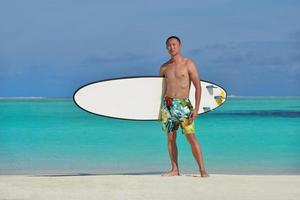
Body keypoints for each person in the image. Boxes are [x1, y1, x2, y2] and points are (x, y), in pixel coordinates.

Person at [159, 35, 209, 177]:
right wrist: (158, 111)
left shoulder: (188, 64)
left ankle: (202, 170)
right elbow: (159, 90)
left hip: (184, 105)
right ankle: (175, 169)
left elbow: (198, 87)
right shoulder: (164, 68)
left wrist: (196, 109)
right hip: (168, 105)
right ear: (166, 48)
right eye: (169, 45)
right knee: (170, 138)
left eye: (174, 44)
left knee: (191, 137)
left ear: (179, 46)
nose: (171, 47)